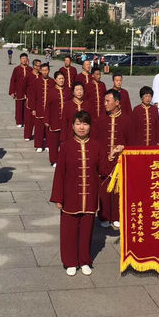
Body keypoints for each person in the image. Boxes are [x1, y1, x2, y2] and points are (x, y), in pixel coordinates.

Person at [50, 111, 122, 276]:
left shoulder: (96, 145)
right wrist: (58, 197)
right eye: (78, 124)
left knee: (86, 231)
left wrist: (112, 154)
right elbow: (59, 173)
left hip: (89, 196)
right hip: (70, 196)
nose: (81, 127)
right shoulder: (66, 146)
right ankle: (70, 261)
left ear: (90, 126)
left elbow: (104, 170)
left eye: (85, 124)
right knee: (69, 230)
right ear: (73, 126)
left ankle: (84, 260)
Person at [95, 90, 132, 229]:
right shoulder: (100, 119)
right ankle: (104, 216)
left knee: (119, 190)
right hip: (104, 160)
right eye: (104, 101)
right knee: (103, 189)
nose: (105, 104)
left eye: (107, 101)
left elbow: (131, 142)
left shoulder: (127, 120)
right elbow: (95, 141)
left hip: (120, 161)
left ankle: (117, 216)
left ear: (117, 103)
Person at [45, 71, 70, 167]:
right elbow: (47, 107)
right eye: (59, 79)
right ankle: (54, 160)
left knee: (64, 142)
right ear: (55, 80)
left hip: (66, 121)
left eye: (63, 78)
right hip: (54, 120)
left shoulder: (68, 90)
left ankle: (64, 160)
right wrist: (46, 120)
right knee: (54, 142)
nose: (61, 80)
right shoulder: (51, 91)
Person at [32, 63, 53, 152]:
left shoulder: (52, 81)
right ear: (40, 71)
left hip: (49, 109)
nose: (45, 72)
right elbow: (33, 96)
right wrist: (33, 108)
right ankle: (39, 145)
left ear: (49, 71)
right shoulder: (36, 81)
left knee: (48, 128)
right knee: (39, 128)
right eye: (43, 70)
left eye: (46, 70)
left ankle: (49, 144)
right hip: (39, 108)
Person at [9, 53, 31, 128]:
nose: (24, 60)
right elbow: (13, 80)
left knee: (26, 106)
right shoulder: (16, 69)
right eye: (22, 58)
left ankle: (25, 120)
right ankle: (19, 121)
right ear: (20, 59)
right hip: (19, 90)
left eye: (25, 58)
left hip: (28, 91)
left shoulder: (30, 69)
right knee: (19, 106)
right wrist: (12, 91)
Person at [23, 59, 42, 142]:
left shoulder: (41, 75)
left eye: (40, 66)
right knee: (29, 119)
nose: (39, 67)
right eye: (38, 66)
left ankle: (41, 135)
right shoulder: (28, 76)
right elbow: (23, 87)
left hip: (40, 100)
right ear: (34, 66)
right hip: (30, 99)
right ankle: (27, 134)